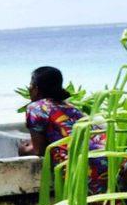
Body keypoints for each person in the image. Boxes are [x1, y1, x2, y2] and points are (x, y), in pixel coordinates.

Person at [19, 66, 109, 195]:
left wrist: (24, 149)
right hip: (109, 161)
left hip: (85, 168)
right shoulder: (71, 108)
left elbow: (39, 150)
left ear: (36, 89)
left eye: (31, 85)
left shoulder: (35, 108)